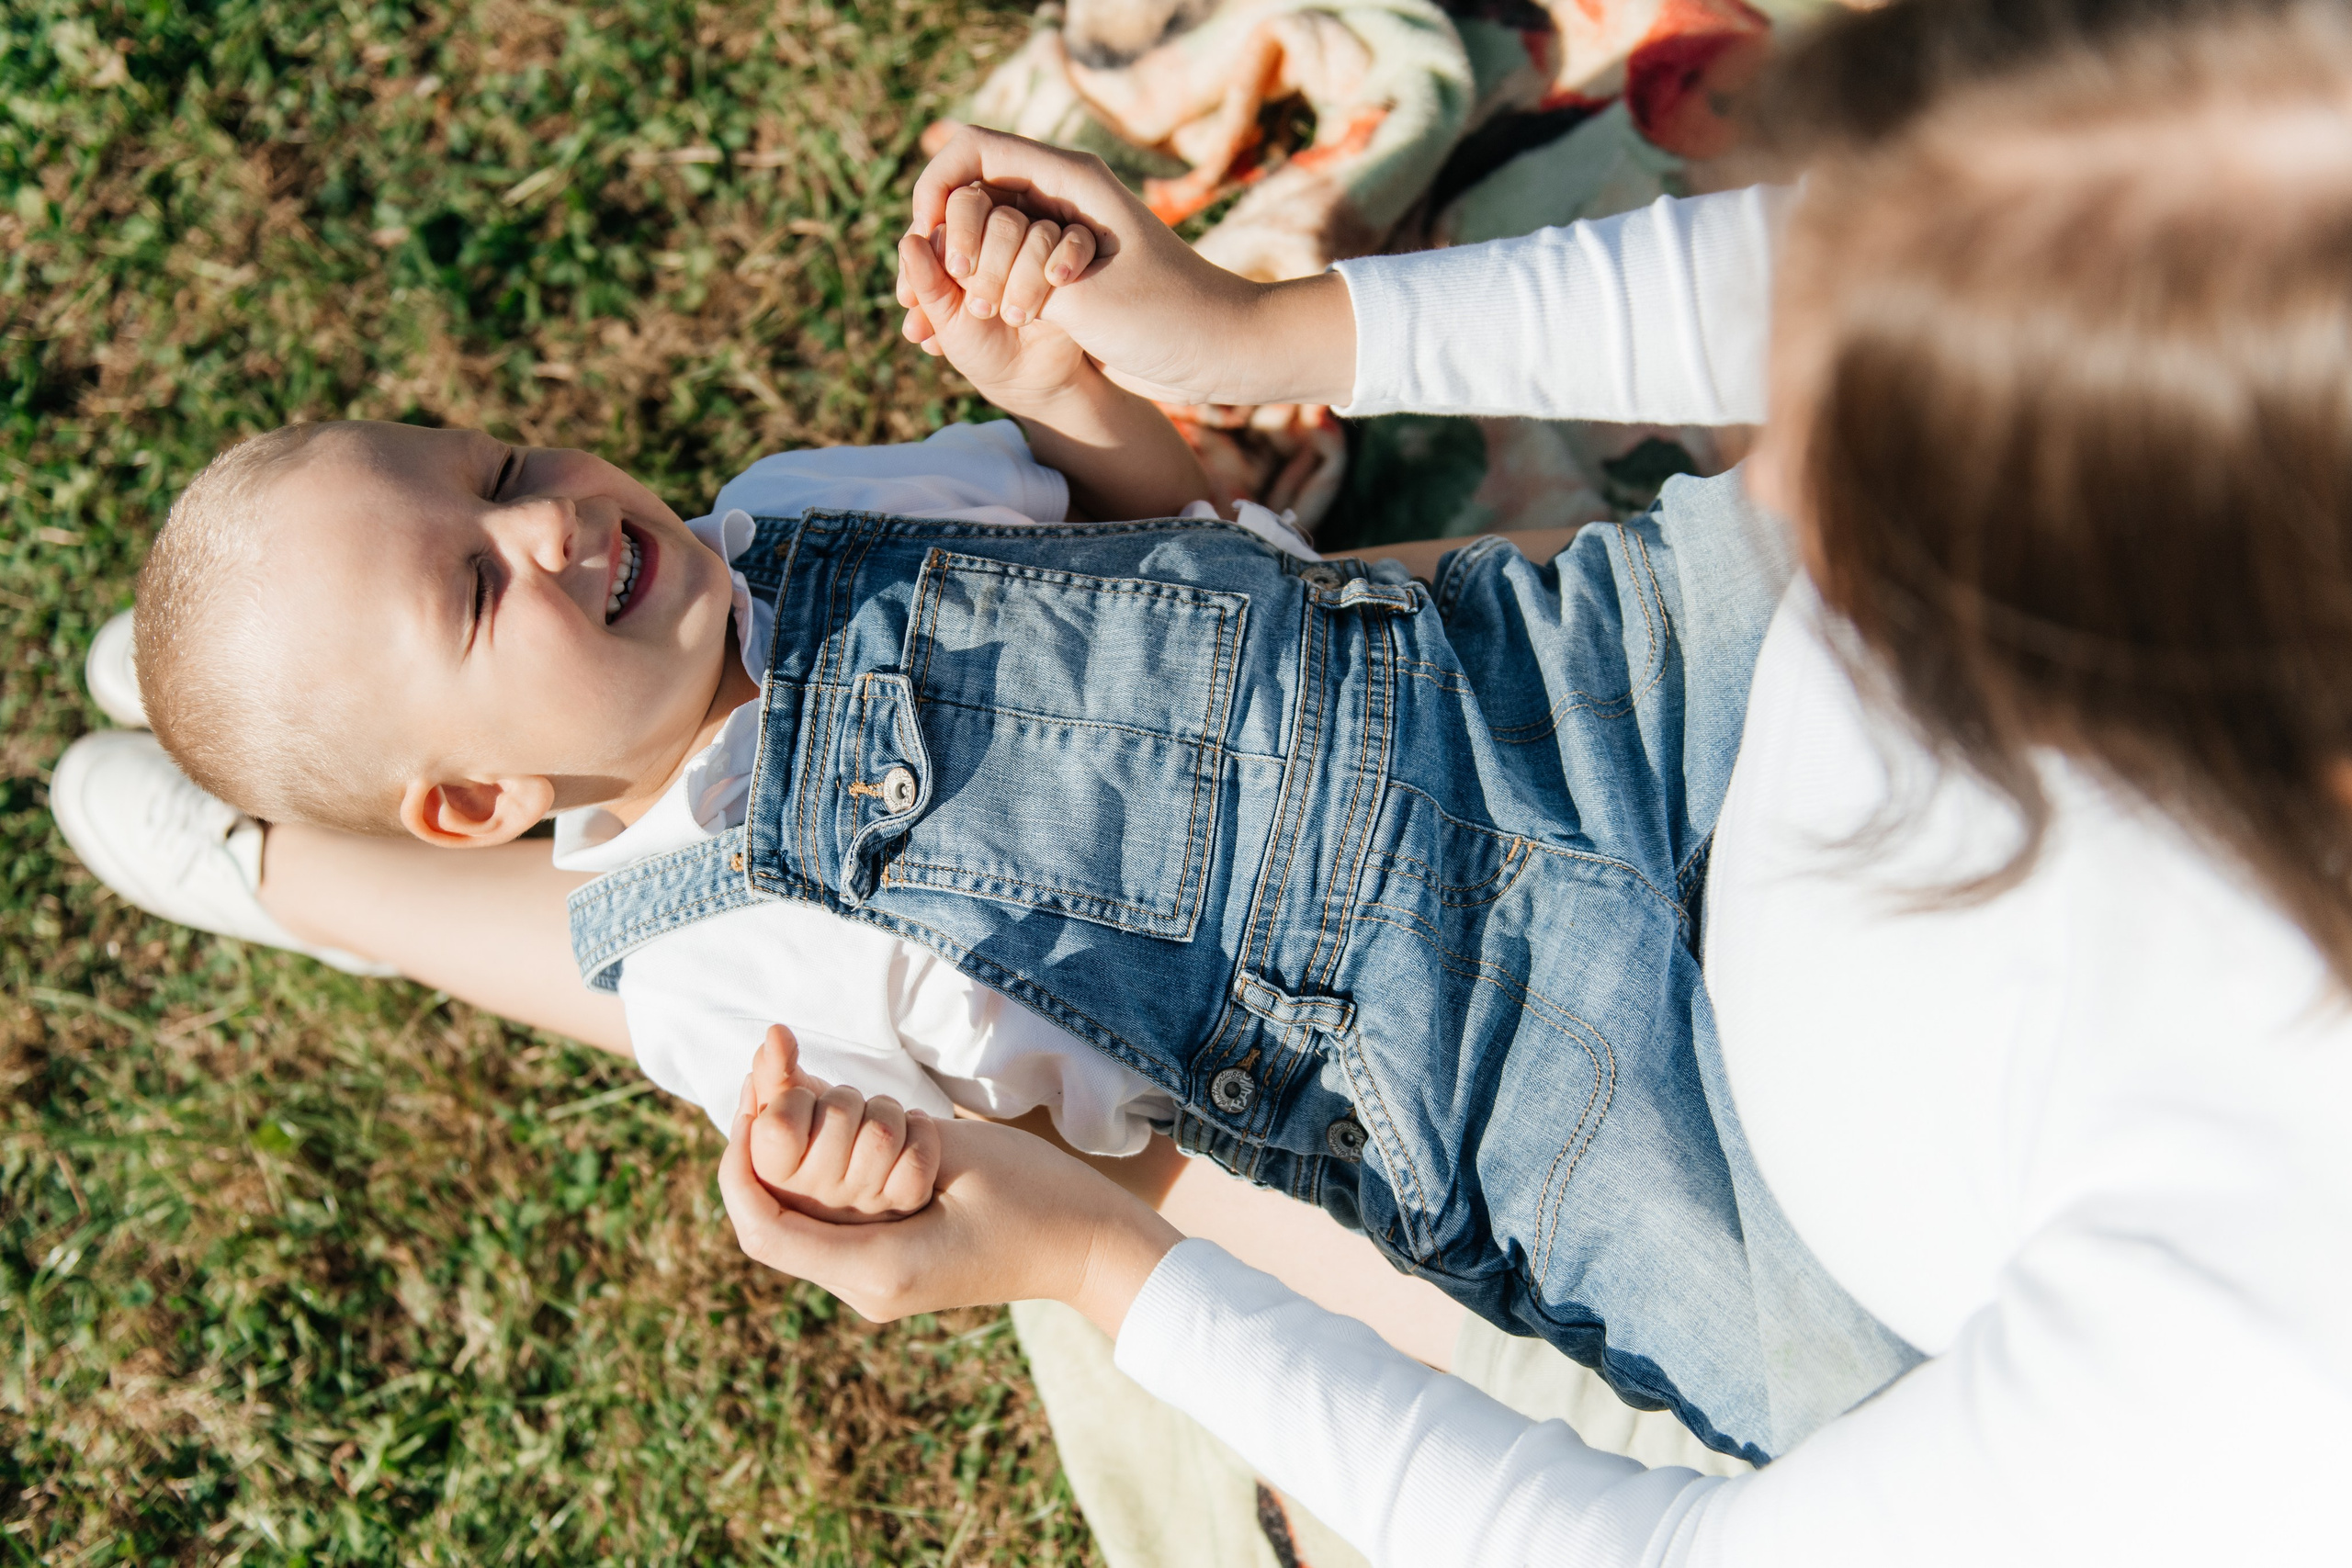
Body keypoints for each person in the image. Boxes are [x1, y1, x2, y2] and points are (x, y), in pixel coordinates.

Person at [712, 0, 2352, 1563]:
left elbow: (1666, 1550)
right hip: (1666, 707)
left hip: (1727, 1215)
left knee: (772, 917)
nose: (1751, 444)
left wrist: (1093, 1262)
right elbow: (1908, 261)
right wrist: (1255, 332)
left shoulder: (2264, 1349)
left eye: (1876, 460)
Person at [72, 105, 1904, 1457]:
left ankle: (282, 842)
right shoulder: (704, 973)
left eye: (497, 466)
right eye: (476, 589)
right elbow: (1014, 1179)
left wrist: (1062, 393)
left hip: (1549, 691)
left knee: (1905, 523)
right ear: (479, 804)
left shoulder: (803, 511)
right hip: (1487, 1077)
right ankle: (283, 865)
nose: (545, 517)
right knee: (1837, 1348)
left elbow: (1178, 543)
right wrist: (860, 1167)